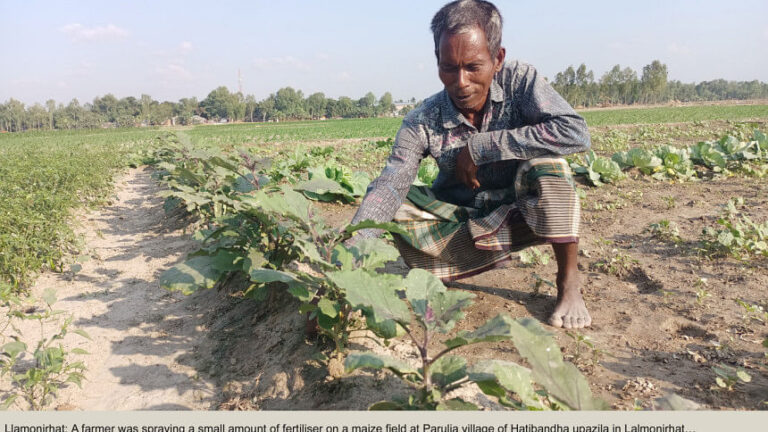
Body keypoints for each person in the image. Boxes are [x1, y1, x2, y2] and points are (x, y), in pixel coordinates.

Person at [349, 0, 592, 329]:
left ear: (498, 59)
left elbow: (575, 132)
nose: (460, 81)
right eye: (449, 68)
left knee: (551, 168)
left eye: (473, 67)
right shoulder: (422, 120)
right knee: (399, 207)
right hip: (463, 217)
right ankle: (470, 258)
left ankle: (568, 282)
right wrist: (345, 263)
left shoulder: (520, 83)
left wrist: (484, 146)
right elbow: (391, 184)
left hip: (521, 209)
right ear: (437, 63)